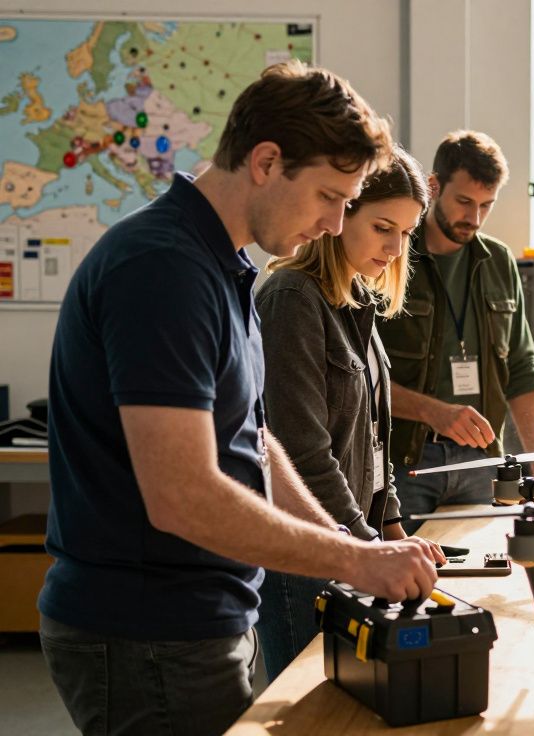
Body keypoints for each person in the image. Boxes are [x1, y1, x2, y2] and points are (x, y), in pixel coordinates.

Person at [37, 62, 439, 736]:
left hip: (197, 621)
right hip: (145, 632)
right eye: (329, 196)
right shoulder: (164, 269)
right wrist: (354, 560)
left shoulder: (221, 266)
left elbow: (252, 438)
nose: (334, 222)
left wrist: (348, 544)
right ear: (266, 161)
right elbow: (181, 495)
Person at [254, 145, 446, 679]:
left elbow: (374, 440)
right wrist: (368, 551)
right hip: (307, 555)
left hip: (353, 545)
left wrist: (393, 530)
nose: (396, 247)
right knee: (307, 699)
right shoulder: (293, 298)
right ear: (341, 215)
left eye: (406, 233)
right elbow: (303, 454)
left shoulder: (356, 300)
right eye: (383, 227)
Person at [382, 130, 534, 533]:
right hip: (406, 463)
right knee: (408, 568)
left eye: (486, 205)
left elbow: (522, 370)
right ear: (433, 186)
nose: (475, 218)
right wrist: (433, 411)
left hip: (482, 462)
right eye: (464, 202)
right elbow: (362, 378)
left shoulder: (498, 261)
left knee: (481, 568)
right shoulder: (390, 256)